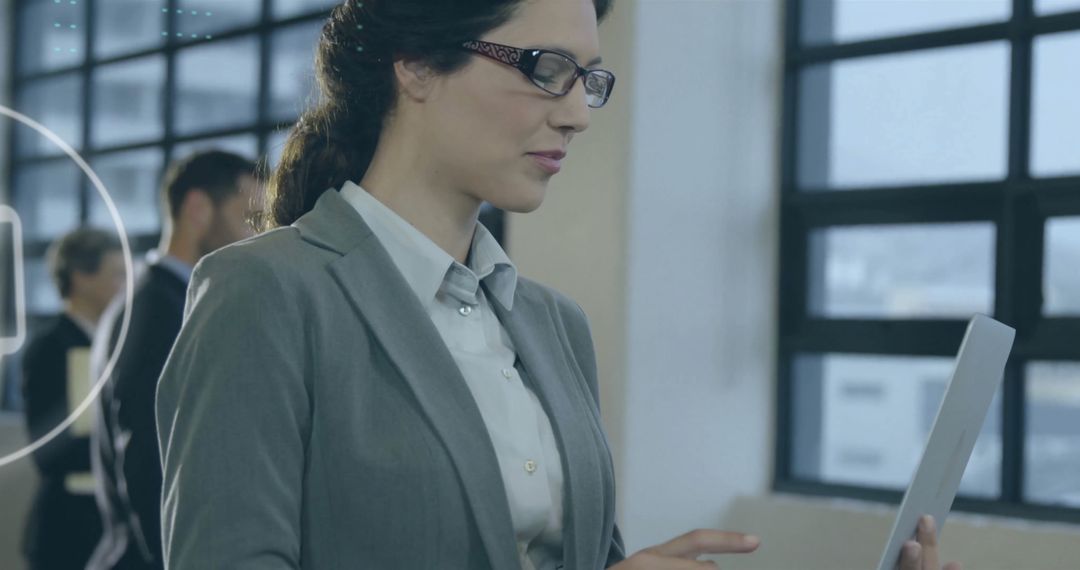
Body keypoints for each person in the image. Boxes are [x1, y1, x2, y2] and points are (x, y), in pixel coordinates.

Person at [154, 1, 960, 569]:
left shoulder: (551, 324)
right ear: (415, 66)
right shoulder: (266, 292)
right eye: (548, 70)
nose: (577, 112)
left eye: (589, 80)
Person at [87, 150, 262, 570]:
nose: (258, 236)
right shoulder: (159, 310)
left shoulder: (150, 298)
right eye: (249, 218)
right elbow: (149, 459)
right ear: (198, 209)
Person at [21, 227, 125, 570]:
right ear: (81, 278)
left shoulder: (117, 341)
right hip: (67, 529)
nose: (126, 286)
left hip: (109, 521)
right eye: (116, 275)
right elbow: (47, 450)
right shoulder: (49, 347)